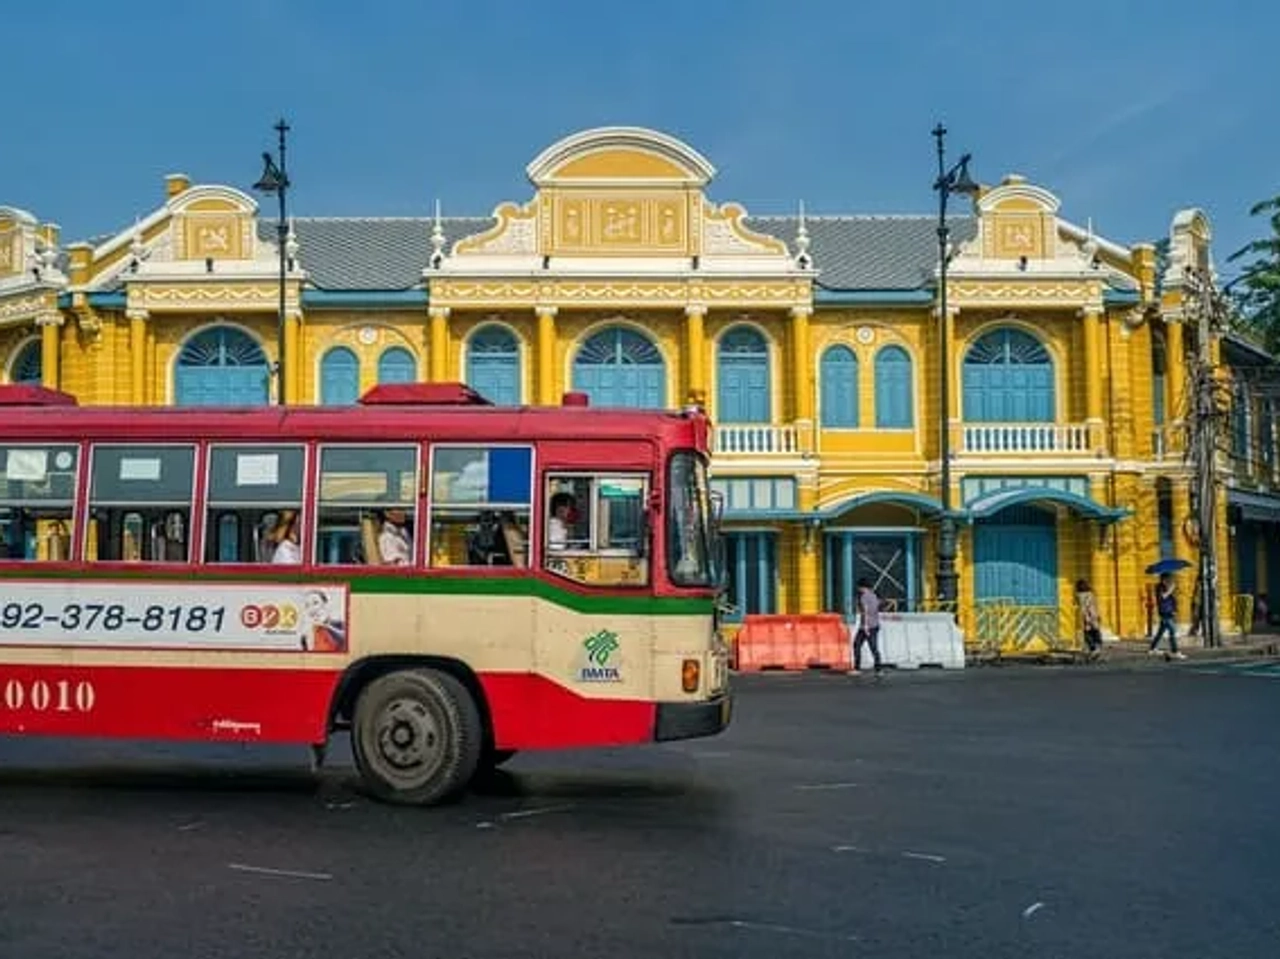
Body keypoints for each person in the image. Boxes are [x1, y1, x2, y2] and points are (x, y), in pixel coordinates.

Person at [1150, 574, 1187, 659]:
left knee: (1161, 632)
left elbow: (1170, 600)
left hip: (1168, 611)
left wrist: (1174, 610)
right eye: (1168, 579)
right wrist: (1171, 589)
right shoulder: (1159, 587)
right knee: (1172, 631)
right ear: (1163, 579)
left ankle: (1152, 648)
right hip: (1164, 612)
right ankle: (1175, 651)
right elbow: (1163, 597)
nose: (1170, 580)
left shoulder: (1165, 586)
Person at [853, 577, 883, 676]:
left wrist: (865, 625)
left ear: (862, 587)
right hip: (875, 624)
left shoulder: (864, 596)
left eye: (858, 587)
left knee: (857, 645)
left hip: (866, 626)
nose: (858, 589)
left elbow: (865, 611)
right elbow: (877, 607)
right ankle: (878, 670)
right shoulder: (874, 595)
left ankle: (857, 669)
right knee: (874, 647)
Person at [1075, 579, 1103, 657]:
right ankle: (1097, 648)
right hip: (1094, 615)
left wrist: (1086, 617)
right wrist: (1098, 615)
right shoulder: (1091, 594)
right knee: (1095, 632)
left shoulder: (1080, 595)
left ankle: (1093, 649)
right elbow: (1095, 605)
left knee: (1088, 634)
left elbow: (1084, 607)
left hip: (1087, 616)